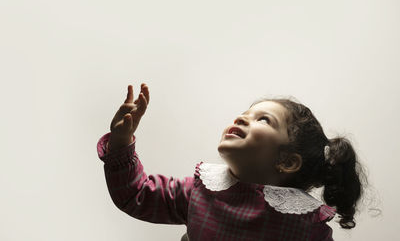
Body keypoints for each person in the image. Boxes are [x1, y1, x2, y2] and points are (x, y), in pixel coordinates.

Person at [96, 83, 367, 241]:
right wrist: (121, 142)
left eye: (263, 119)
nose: (241, 118)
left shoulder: (306, 224)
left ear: (287, 161)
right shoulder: (199, 191)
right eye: (243, 114)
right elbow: (135, 195)